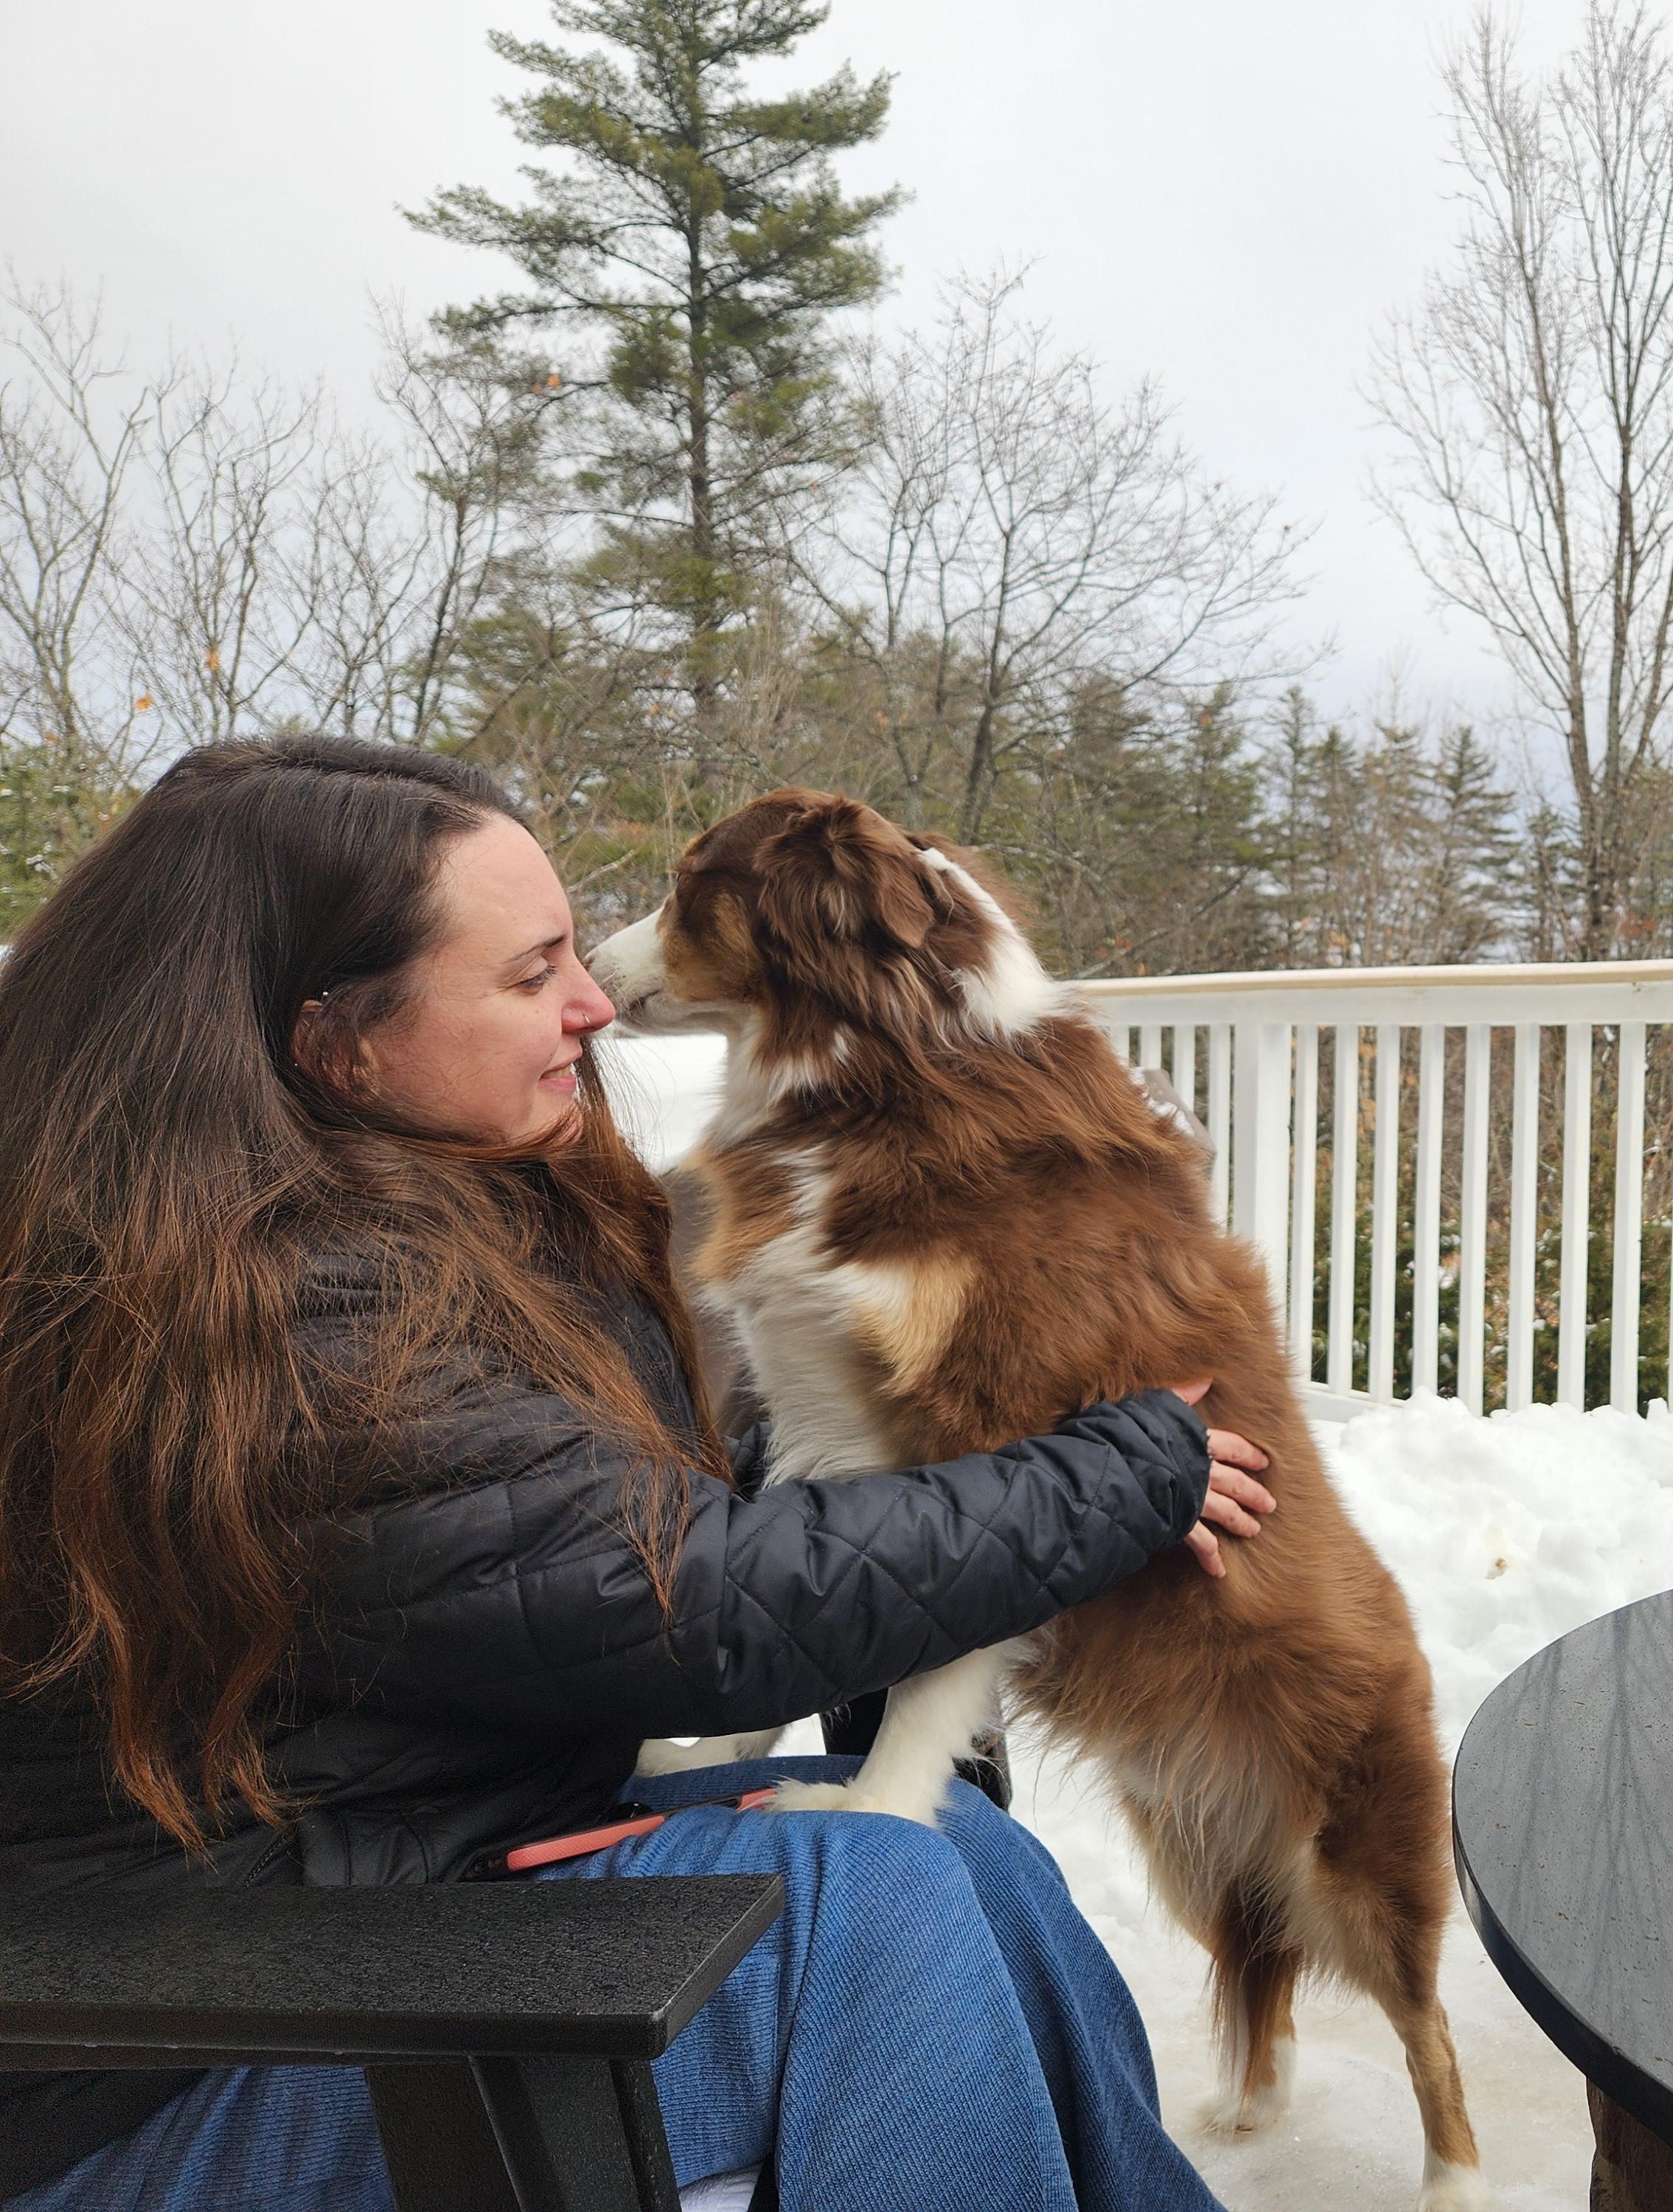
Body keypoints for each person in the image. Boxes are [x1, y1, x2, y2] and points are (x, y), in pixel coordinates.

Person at [0, 739, 1275, 2212]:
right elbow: (685, 1604)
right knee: (867, 1908)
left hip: (390, 1900)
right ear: (334, 1044)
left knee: (962, 1848)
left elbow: (558, 1512)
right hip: (175, 2059)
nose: (599, 1002)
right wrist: (1112, 1475)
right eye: (531, 975)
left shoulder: (417, 1212)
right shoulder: (259, 1312)